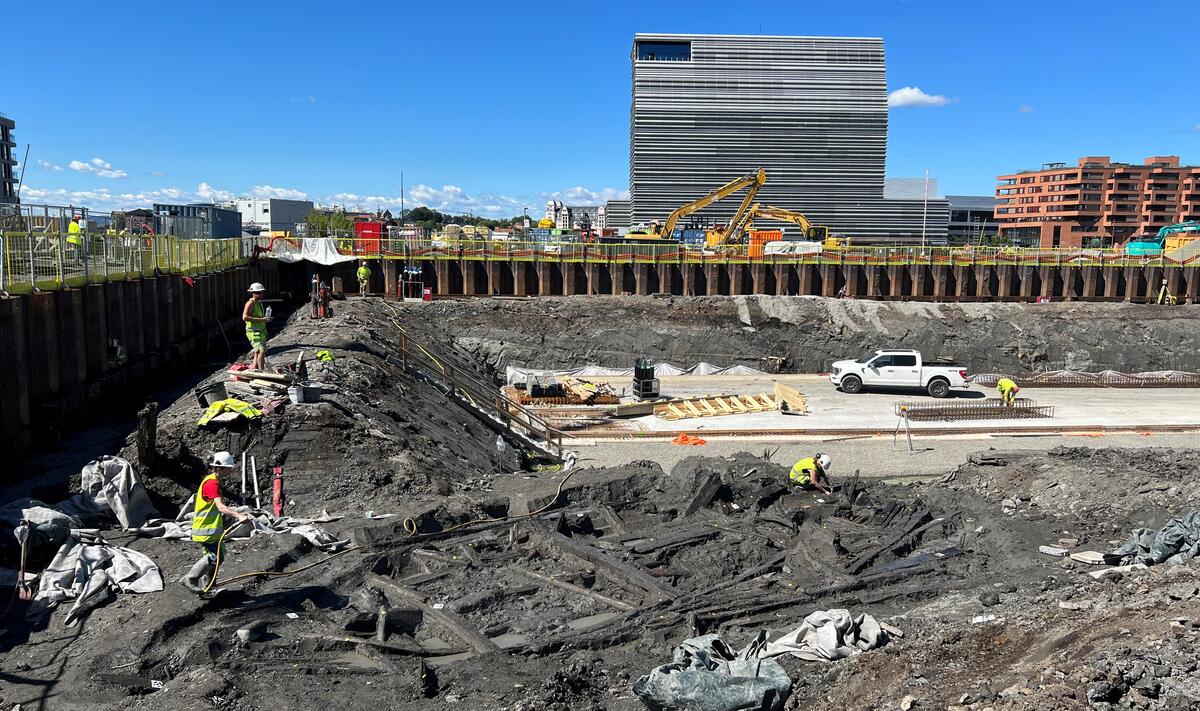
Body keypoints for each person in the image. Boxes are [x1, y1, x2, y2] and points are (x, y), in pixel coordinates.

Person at [179, 452, 253, 593]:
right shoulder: (212, 483)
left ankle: (209, 584)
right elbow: (220, 507)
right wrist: (238, 515)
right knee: (214, 556)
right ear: (219, 468)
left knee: (219, 556)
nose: (231, 470)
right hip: (205, 529)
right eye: (228, 468)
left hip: (210, 529)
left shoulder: (213, 480)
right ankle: (191, 579)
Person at [242, 282, 272, 370]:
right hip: (253, 332)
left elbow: (259, 317)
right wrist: (262, 320)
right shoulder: (250, 303)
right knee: (261, 351)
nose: (260, 294)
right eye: (258, 293)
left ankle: (254, 370)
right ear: (252, 293)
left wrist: (265, 319)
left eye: (261, 292)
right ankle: (261, 371)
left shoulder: (258, 303)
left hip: (261, 331)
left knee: (257, 352)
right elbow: (245, 317)